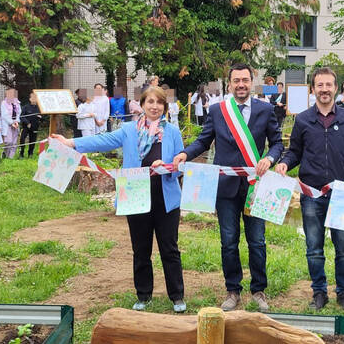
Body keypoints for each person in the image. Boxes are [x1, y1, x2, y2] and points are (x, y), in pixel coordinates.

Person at [51, 86, 187, 313]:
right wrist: (71, 143)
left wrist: (169, 167)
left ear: (164, 107)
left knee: (169, 249)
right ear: (142, 105)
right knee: (141, 249)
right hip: (135, 196)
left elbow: (180, 164)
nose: (155, 106)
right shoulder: (128, 130)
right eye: (150, 102)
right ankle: (143, 295)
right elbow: (103, 140)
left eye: (159, 103)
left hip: (166, 197)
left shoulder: (172, 131)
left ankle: (177, 296)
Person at [173, 63, 283, 313]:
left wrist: (270, 158)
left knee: (257, 242)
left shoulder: (266, 110)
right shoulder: (218, 110)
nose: (241, 84)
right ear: (230, 83)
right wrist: (184, 153)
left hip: (256, 187)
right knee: (229, 242)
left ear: (251, 82)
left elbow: (277, 143)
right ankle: (233, 290)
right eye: (236, 80)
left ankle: (258, 290)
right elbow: (203, 140)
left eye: (245, 80)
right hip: (226, 189)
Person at [276, 67, 344, 312]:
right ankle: (319, 292)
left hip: (342, 193)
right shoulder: (303, 119)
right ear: (313, 89)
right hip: (311, 194)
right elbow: (295, 151)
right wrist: (285, 162)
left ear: (335, 88)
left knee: (343, 248)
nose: (324, 89)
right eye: (320, 85)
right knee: (314, 248)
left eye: (329, 85)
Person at [19, 93, 42, 158]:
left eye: (36, 98)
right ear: (30, 99)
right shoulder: (25, 107)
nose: (34, 100)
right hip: (26, 126)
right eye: (33, 98)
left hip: (35, 126)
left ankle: (30, 154)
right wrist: (27, 123)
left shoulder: (39, 108)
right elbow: (22, 116)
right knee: (22, 139)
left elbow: (42, 117)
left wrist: (40, 117)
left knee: (33, 140)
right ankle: (21, 153)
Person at [1, 88, 21, 159]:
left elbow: (18, 113)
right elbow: (4, 115)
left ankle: (10, 158)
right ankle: (5, 154)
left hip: (15, 124)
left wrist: (16, 121)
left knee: (14, 142)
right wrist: (11, 122)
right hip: (8, 124)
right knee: (8, 142)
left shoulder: (17, 102)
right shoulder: (4, 103)